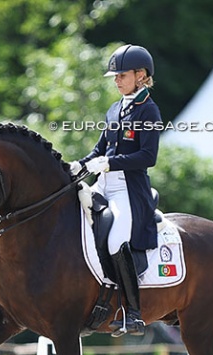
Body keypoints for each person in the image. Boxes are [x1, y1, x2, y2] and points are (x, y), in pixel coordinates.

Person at [69, 44, 162, 337]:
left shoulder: (149, 110)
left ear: (141, 75)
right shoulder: (115, 108)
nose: (116, 80)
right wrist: (79, 165)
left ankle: (133, 313)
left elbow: (148, 157)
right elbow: (99, 148)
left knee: (115, 241)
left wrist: (111, 163)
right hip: (104, 184)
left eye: (122, 75)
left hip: (127, 190)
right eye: (115, 76)